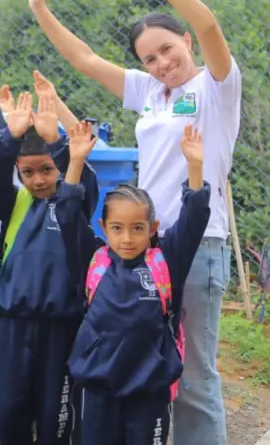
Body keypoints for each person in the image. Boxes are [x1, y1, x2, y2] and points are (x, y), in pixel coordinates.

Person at [29, 0, 241, 445]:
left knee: (193, 377)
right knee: (157, 364)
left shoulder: (216, 86)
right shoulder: (151, 92)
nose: (161, 63)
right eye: (149, 58)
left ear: (186, 41)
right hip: (147, 249)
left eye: (167, 49)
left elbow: (211, 24)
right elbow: (83, 58)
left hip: (198, 242)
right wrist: (39, 7)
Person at [66, 124, 210, 444]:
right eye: (117, 228)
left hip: (149, 390)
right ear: (103, 227)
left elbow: (194, 218)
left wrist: (195, 167)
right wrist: (75, 163)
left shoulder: (165, 262)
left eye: (137, 228)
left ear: (152, 228)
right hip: (99, 388)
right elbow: (67, 215)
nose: (127, 238)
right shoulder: (93, 259)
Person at [0, 91, 96, 445]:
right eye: (28, 172)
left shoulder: (73, 202)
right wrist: (8, 137)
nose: (38, 180)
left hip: (61, 327)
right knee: (12, 410)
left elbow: (84, 182)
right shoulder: (13, 203)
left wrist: (57, 142)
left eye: (47, 169)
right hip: (12, 326)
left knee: (56, 415)